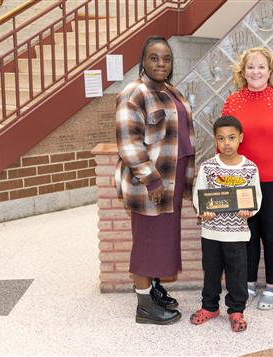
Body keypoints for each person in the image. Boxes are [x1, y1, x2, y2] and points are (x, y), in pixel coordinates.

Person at [115, 35, 195, 325]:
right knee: (147, 244)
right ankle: (144, 306)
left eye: (167, 59)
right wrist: (152, 181)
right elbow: (129, 144)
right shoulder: (134, 93)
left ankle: (153, 288)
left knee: (162, 242)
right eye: (154, 58)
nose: (161, 63)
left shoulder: (171, 91)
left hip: (170, 182)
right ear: (143, 61)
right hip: (151, 185)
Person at [221, 47, 273, 310]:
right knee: (247, 234)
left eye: (261, 67)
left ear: (270, 71)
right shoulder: (232, 101)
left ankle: (271, 287)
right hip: (241, 181)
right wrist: (223, 177)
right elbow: (223, 141)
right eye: (250, 67)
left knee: (271, 234)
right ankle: (248, 282)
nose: (255, 71)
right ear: (242, 72)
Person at [191, 116, 262, 332]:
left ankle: (236, 310)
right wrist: (204, 210)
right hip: (211, 232)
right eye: (221, 139)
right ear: (215, 141)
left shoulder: (249, 168)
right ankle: (209, 306)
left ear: (240, 138)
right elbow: (199, 194)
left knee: (237, 274)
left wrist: (249, 210)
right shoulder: (208, 167)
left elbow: (256, 196)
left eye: (231, 137)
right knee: (211, 272)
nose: (227, 143)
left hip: (237, 234)